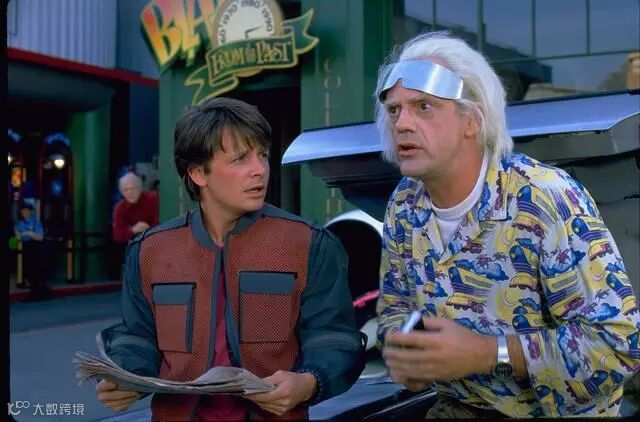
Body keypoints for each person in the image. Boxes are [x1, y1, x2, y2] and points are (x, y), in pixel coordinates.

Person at [374, 31, 640, 418]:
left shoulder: (544, 198)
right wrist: (404, 352)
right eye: (394, 110)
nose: (402, 123)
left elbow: (617, 346)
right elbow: (395, 307)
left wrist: (490, 353)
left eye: (424, 107)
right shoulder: (404, 204)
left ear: (471, 119)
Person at [96, 97, 365, 420]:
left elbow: (334, 337)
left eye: (262, 155)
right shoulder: (150, 250)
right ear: (198, 173)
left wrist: (309, 382)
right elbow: (137, 336)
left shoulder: (309, 244)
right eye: (240, 159)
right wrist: (124, 375)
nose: (259, 170)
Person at [14, 201, 51, 299]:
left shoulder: (36, 222)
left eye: (27, 210)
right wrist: (31, 233)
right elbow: (18, 236)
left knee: (37, 271)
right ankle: (34, 291)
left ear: (31, 211)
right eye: (23, 210)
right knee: (29, 272)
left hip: (36, 249)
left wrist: (28, 233)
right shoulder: (20, 223)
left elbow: (40, 237)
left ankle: (39, 292)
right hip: (25, 249)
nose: (25, 212)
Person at [111, 171, 159, 243]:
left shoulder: (154, 198)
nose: (129, 193)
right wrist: (133, 230)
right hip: (137, 243)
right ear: (122, 193)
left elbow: (162, 223)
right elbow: (117, 235)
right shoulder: (120, 208)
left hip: (158, 239)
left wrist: (148, 229)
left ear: (140, 188)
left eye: (132, 188)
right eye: (125, 190)